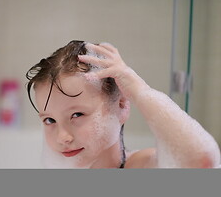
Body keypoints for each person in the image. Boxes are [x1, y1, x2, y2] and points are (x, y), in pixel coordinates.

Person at [26, 40, 220, 168]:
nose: (63, 137)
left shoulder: (141, 167)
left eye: (77, 115)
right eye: (50, 120)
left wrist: (139, 90)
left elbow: (201, 161)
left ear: (121, 106)